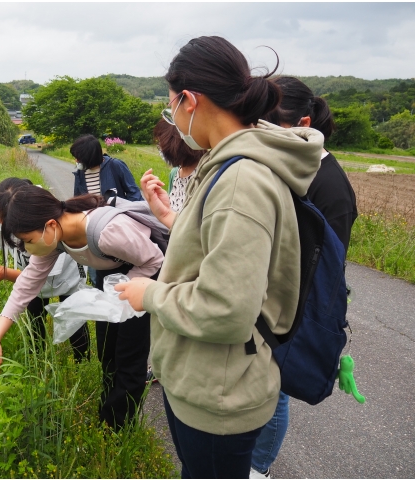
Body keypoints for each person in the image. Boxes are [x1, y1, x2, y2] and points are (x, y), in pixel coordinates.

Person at [115, 36, 323, 478]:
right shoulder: (229, 163)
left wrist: (149, 294)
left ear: (190, 100)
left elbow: (227, 310)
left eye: (171, 105)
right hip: (208, 378)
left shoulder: (239, 181)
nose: (172, 117)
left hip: (218, 392)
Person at [0, 184, 163, 430]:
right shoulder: (53, 240)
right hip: (114, 281)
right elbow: (26, 285)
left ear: (51, 226)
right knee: (107, 351)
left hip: (143, 276)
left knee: (129, 358)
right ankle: (107, 414)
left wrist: (126, 288)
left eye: (27, 241)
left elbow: (155, 259)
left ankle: (118, 430)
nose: (26, 249)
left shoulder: (106, 232)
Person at [249, 76, 358, 479]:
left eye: (268, 126)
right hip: (273, 298)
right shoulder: (291, 167)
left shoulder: (331, 186)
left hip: (297, 308)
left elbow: (327, 267)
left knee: (275, 389)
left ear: (304, 122)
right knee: (261, 383)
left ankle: (258, 467)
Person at [0, 178, 91, 361]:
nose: (3, 226)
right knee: (35, 318)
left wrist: (5, 273)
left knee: (73, 318)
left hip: (64, 273)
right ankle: (38, 360)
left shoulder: (43, 225)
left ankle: (82, 360)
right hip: (30, 274)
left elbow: (37, 277)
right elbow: (27, 284)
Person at [144, 119, 205, 384]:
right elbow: (174, 218)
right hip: (174, 248)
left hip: (197, 257)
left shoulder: (206, 172)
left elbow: (198, 225)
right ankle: (163, 366)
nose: (162, 149)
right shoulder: (174, 174)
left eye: (164, 144)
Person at [71, 134, 143, 287]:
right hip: (93, 228)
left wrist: (128, 216)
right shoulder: (80, 173)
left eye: (79, 157)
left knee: (122, 265)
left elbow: (134, 194)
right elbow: (78, 199)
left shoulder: (115, 166)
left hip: (118, 226)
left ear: (89, 156)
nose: (76, 161)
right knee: (97, 271)